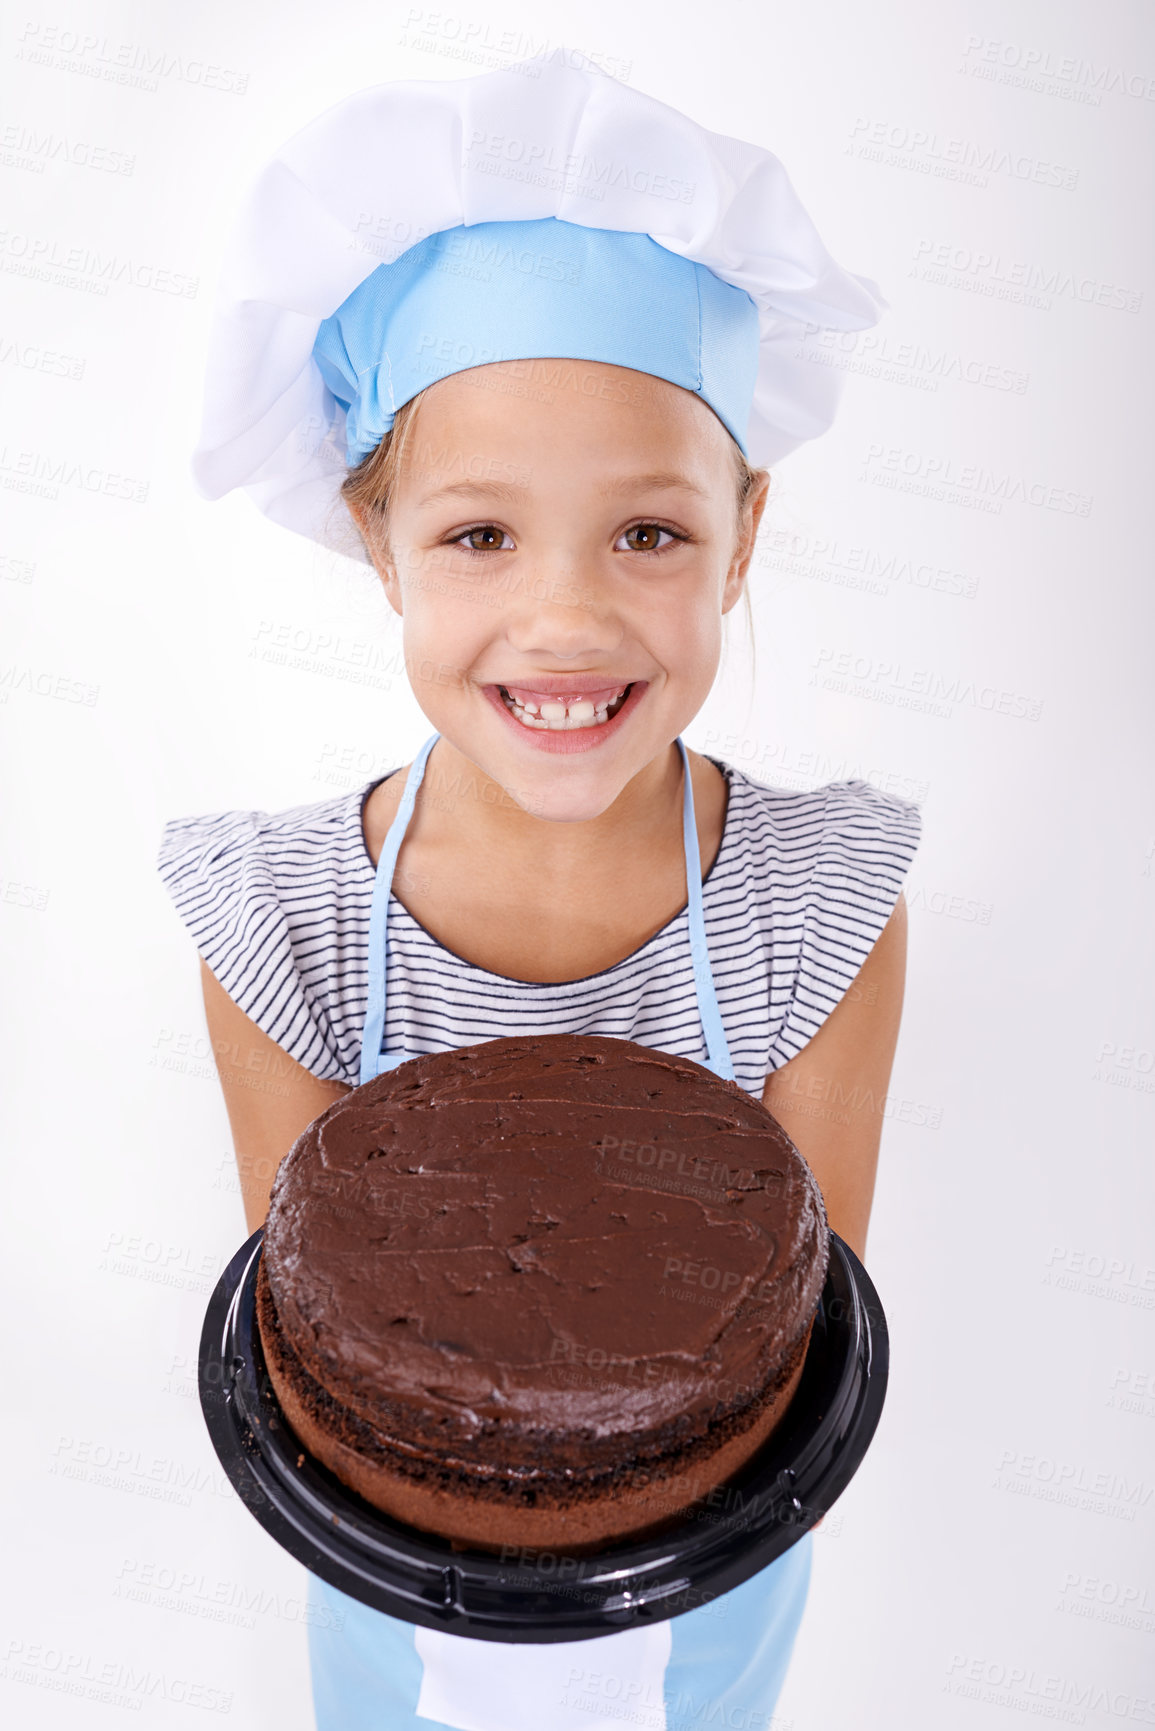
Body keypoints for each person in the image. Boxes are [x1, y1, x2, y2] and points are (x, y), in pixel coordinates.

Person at [159, 54, 921, 1731]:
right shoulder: (280, 919)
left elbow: (781, 1327)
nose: (566, 620)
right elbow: (333, 1339)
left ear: (744, 536)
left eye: (647, 533)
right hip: (393, 1602)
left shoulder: (821, 904)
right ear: (378, 547)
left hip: (717, 1590)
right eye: (479, 537)